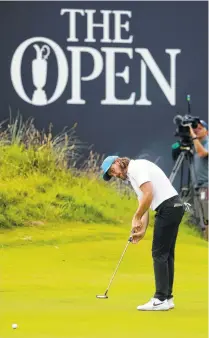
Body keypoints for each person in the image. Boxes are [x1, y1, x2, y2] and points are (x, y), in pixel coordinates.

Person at [101, 156, 185, 311]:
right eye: (112, 175)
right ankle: (167, 298)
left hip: (168, 207)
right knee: (166, 254)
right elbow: (144, 202)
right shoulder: (133, 176)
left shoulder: (136, 167)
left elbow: (149, 194)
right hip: (174, 206)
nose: (116, 175)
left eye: (113, 170)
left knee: (159, 254)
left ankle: (159, 299)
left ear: (119, 161)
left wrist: (136, 217)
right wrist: (142, 230)